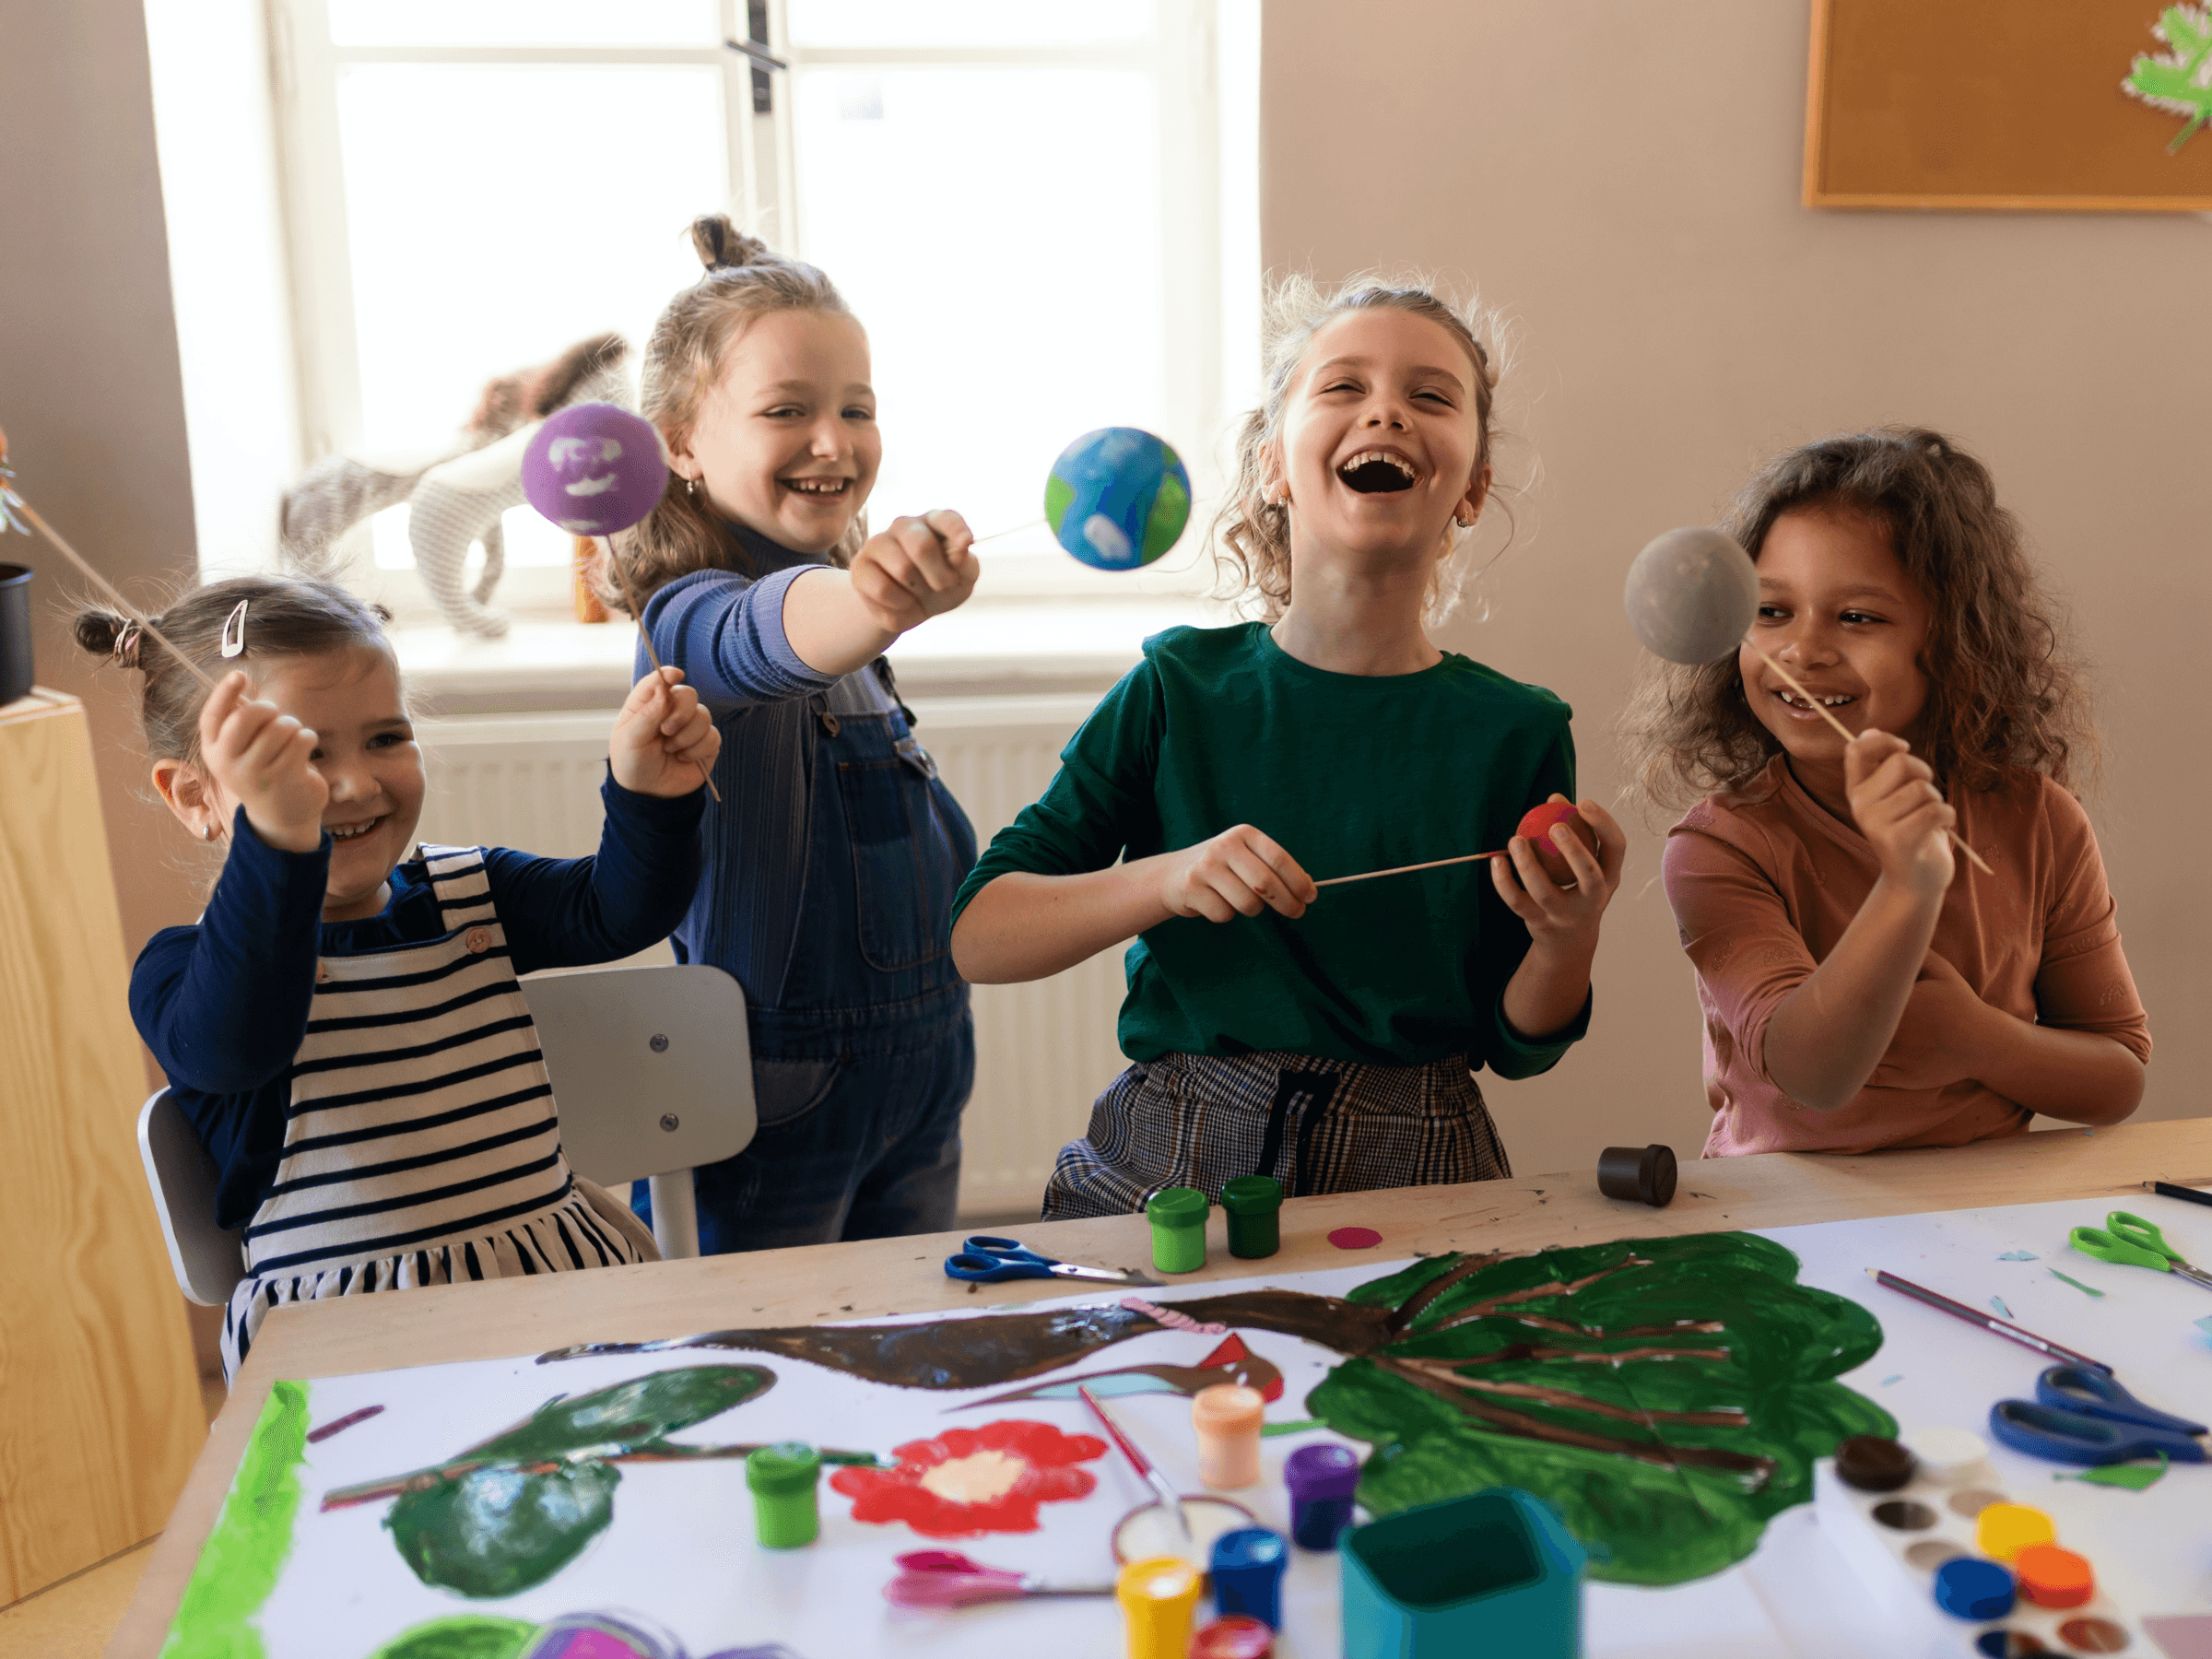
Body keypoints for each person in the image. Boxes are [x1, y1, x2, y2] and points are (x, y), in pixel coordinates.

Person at [950, 273, 1625, 1218]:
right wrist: (1165, 880)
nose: (1385, 412)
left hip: (1421, 1162)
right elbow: (980, 937)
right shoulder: (1175, 690)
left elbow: (1522, 1046)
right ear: (1272, 465)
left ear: (1472, 487)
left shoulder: (1517, 731)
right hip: (1169, 1160)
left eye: (1429, 396)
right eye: (1344, 387)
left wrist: (1569, 936)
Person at [100, 573, 719, 1379]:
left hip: (563, 1293)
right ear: (196, 796)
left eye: (386, 739)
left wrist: (650, 796)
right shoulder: (182, 969)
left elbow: (617, 911)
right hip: (355, 1347)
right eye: (303, 758)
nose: (355, 783)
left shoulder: (472, 892)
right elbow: (237, 1044)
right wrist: (276, 844)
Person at [601, 217, 978, 1252]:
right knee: (759, 1369)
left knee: (900, 1346)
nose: (835, 440)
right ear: (679, 443)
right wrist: (876, 602)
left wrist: (869, 615)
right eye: (787, 411)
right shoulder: (687, 616)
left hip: (925, 1067)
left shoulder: (851, 629)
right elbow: (773, 633)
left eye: (857, 408)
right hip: (771, 1096)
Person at [1623, 428, 2149, 1155]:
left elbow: (2118, 1078)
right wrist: (1909, 885)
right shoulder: (1721, 845)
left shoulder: (2040, 821)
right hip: (1781, 1218)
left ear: (1953, 641)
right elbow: (1810, 1074)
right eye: (1772, 612)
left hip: (1984, 1217)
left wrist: (1982, 1043)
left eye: (1858, 618)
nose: (1803, 652)